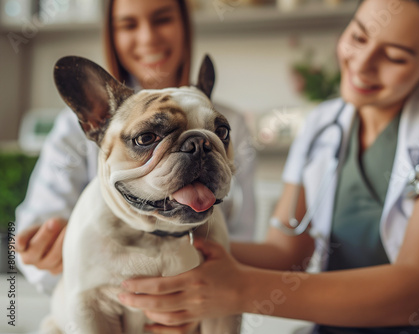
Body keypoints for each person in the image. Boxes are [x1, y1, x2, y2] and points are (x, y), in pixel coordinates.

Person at [116, 0, 419, 333]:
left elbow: (418, 290)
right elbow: (287, 252)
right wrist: (160, 237)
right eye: (359, 36)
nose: (363, 65)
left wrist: (236, 289)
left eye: (395, 56)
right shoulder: (323, 124)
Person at [14, 0, 256, 302]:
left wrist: (189, 264)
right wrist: (52, 248)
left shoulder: (231, 119)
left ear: (185, 23)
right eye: (129, 24)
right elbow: (32, 237)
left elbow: (243, 238)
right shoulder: (80, 126)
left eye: (162, 19)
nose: (148, 38)